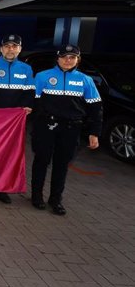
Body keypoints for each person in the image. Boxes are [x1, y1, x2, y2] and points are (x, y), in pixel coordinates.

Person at [31, 44, 102, 216]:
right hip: (46, 127)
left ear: (78, 60)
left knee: (62, 165)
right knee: (41, 161)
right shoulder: (42, 77)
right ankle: (36, 196)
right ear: (57, 58)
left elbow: (96, 108)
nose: (68, 60)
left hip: (71, 128)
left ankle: (56, 200)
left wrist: (94, 132)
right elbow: (33, 104)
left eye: (72, 57)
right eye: (64, 57)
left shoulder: (86, 80)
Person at [0, 34, 35, 204]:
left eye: (14, 46)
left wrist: (27, 107)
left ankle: (1, 188)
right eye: (7, 46)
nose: (11, 50)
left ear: (20, 49)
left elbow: (29, 94)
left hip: (12, 124)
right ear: (1, 49)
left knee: (7, 155)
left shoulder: (26, 69)